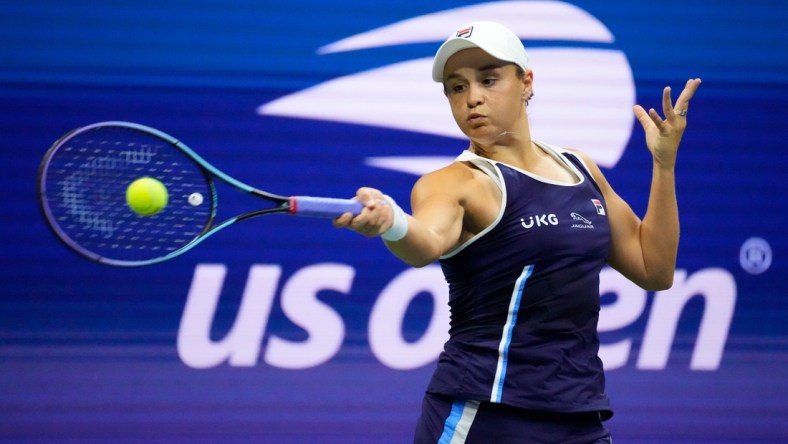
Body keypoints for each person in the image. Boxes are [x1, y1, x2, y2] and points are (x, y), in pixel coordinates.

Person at [334, 21, 701, 444]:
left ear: (526, 82)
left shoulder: (579, 169)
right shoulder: (456, 182)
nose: (472, 98)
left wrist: (664, 164)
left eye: (488, 80)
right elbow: (425, 243)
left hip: (579, 417)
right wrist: (393, 223)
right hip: (484, 416)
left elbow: (654, 269)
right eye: (456, 87)